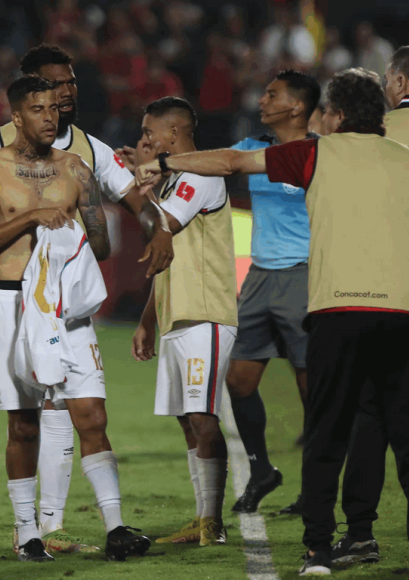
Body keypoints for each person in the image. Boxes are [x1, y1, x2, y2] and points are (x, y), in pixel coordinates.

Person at [134, 67, 409, 576]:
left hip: (337, 306)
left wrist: (164, 161)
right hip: (405, 311)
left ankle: (319, 552)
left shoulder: (315, 153)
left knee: (325, 435)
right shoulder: (408, 159)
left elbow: (233, 162)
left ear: (337, 115)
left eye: (327, 111)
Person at [0, 43, 173, 554]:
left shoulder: (77, 167)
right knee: (23, 424)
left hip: (67, 308)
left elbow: (108, 234)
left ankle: (114, 528)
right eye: (40, 106)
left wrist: (125, 228)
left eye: (59, 101)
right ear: (17, 114)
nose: (54, 111)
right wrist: (28, 219)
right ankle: (28, 534)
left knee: (91, 414)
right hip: (11, 302)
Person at [333, 45, 409, 565]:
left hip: (392, 292)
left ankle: (360, 532)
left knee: (373, 414)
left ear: (397, 83)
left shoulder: (377, 134)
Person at [130, 97, 236, 546]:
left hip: (206, 314)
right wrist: (147, 320)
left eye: (149, 132)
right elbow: (163, 253)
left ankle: (213, 522)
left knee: (201, 414)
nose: (145, 140)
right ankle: (202, 518)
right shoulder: (175, 183)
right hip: (177, 316)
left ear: (174, 135)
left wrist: (133, 185)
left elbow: (161, 225)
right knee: (185, 419)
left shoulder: (200, 176)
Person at [224, 70, 321, 516]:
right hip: (260, 277)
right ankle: (262, 469)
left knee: (311, 392)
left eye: (272, 94)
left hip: (305, 275)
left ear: (297, 106)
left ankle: (316, 490)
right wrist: (163, 158)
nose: (261, 99)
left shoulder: (321, 151)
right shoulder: (251, 148)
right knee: (239, 382)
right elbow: (220, 162)